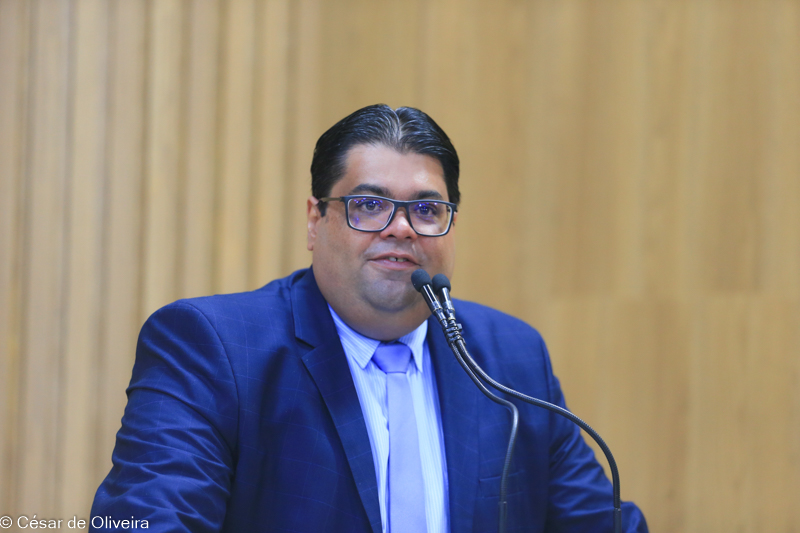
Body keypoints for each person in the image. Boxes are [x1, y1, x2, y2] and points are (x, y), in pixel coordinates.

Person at [91, 104, 648, 532]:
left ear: (451, 227)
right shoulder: (215, 347)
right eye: (369, 204)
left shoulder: (509, 358)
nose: (401, 228)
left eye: (427, 209)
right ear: (316, 221)